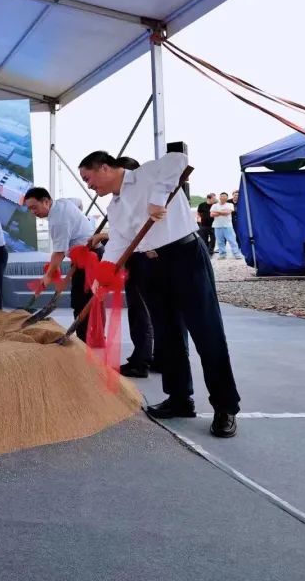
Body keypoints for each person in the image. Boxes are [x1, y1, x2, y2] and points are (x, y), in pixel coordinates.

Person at [79, 150, 240, 438]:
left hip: (185, 256)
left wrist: (156, 199)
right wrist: (104, 275)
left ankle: (225, 406)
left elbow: (178, 160)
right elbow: (118, 242)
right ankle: (179, 399)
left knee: (207, 333)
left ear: (104, 168)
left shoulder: (147, 174)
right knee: (167, 336)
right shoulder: (115, 206)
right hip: (150, 265)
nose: (89, 185)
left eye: (88, 178)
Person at [87, 158, 159, 378]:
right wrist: (103, 272)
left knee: (143, 311)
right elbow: (124, 234)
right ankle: (153, 358)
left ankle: (143, 360)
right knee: (142, 311)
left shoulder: (146, 191)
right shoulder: (116, 203)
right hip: (136, 258)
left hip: (150, 259)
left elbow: (138, 231)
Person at [22, 188, 94, 335]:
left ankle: (84, 339)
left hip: (89, 258)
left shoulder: (58, 221)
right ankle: (89, 334)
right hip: (82, 255)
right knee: (84, 299)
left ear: (46, 202)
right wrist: (79, 220)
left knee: (80, 302)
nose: (33, 212)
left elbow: (59, 252)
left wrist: (48, 275)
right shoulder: (63, 202)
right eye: (29, 209)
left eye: (34, 207)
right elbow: (79, 202)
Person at [211, 192, 243, 260]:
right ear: (219, 197)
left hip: (228, 226)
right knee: (220, 242)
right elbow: (212, 214)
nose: (223, 197)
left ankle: (236, 254)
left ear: (227, 198)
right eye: (222, 196)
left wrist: (217, 212)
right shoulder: (214, 205)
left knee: (232, 240)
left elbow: (228, 212)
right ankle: (222, 255)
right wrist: (222, 212)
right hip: (217, 226)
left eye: (225, 196)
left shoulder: (230, 204)